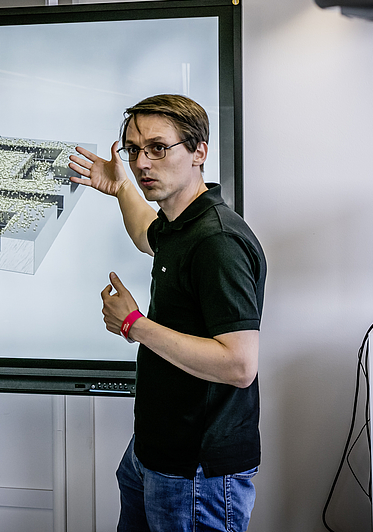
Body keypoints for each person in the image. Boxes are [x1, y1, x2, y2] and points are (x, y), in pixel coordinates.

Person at [68, 94, 266, 532]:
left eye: (158, 148)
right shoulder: (181, 223)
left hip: (197, 471)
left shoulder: (217, 242)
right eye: (133, 150)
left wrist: (134, 325)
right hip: (155, 452)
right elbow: (145, 233)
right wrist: (120, 187)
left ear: (199, 152)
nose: (142, 162)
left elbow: (239, 364)